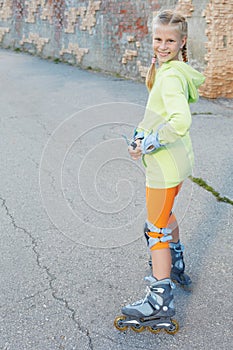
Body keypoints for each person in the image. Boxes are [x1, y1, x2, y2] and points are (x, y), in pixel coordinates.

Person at [115, 9, 205, 333]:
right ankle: (177, 263)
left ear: (182, 41)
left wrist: (150, 142)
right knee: (165, 217)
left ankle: (159, 301)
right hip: (177, 165)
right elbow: (156, 114)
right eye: (157, 38)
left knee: (155, 230)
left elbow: (180, 121)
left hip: (164, 169)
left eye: (170, 40)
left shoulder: (169, 77)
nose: (162, 45)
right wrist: (140, 137)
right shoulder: (170, 70)